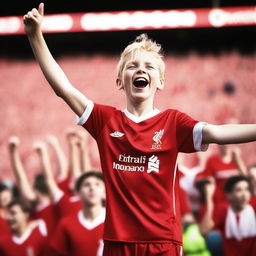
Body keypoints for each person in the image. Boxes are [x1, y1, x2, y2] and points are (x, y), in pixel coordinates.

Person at [24, 3, 256, 255]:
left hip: (162, 242)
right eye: (132, 66)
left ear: (160, 81)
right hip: (117, 242)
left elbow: (218, 133)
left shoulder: (173, 122)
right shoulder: (105, 120)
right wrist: (36, 36)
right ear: (119, 80)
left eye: (149, 66)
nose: (140, 69)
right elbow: (64, 89)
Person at [49, 171, 105, 256]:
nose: (92, 188)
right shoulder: (66, 224)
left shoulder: (115, 223)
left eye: (97, 184)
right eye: (87, 185)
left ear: (105, 193)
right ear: (78, 193)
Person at [199, 176, 256, 256]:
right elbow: (204, 231)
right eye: (239, 190)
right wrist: (209, 199)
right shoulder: (223, 211)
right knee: (213, 238)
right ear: (229, 195)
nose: (244, 194)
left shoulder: (254, 205)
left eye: (247, 189)